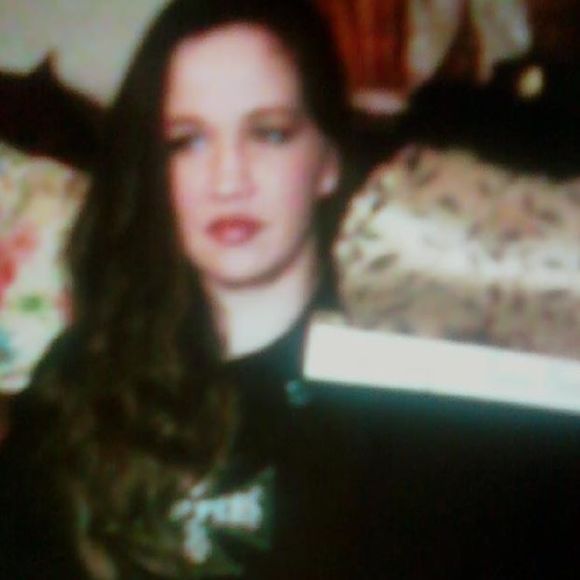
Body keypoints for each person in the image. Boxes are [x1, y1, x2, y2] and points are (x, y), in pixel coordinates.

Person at [0, 1, 367, 579]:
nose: (228, 180)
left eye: (269, 134)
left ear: (328, 162)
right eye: (188, 142)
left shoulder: (407, 390)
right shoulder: (75, 387)